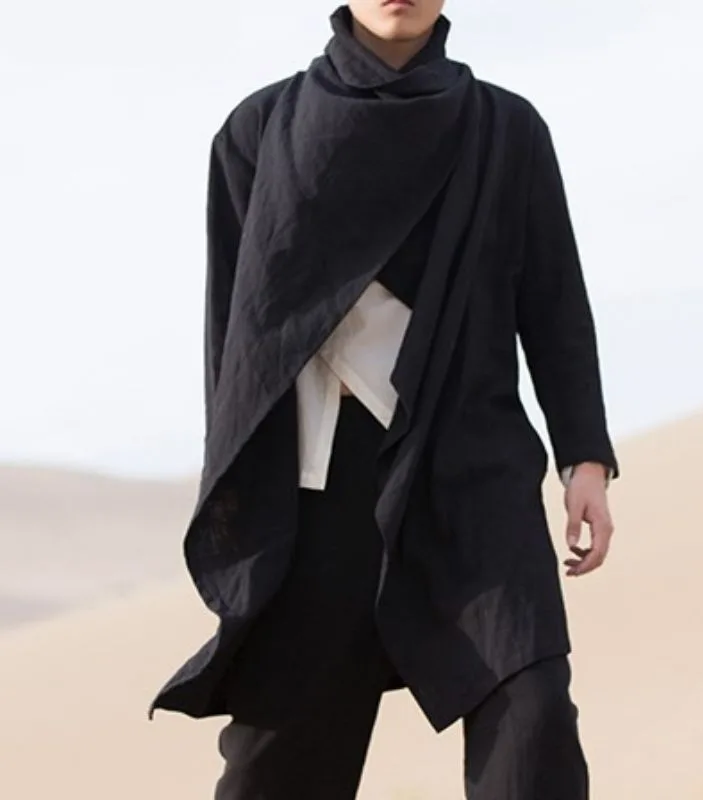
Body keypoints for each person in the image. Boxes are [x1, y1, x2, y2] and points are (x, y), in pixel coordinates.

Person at [150, 2, 619, 798]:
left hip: (477, 479)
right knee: (278, 772)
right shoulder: (257, 131)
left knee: (534, 727)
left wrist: (586, 458)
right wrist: (235, 497)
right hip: (317, 496)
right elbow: (232, 342)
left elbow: (554, 301)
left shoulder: (506, 130)